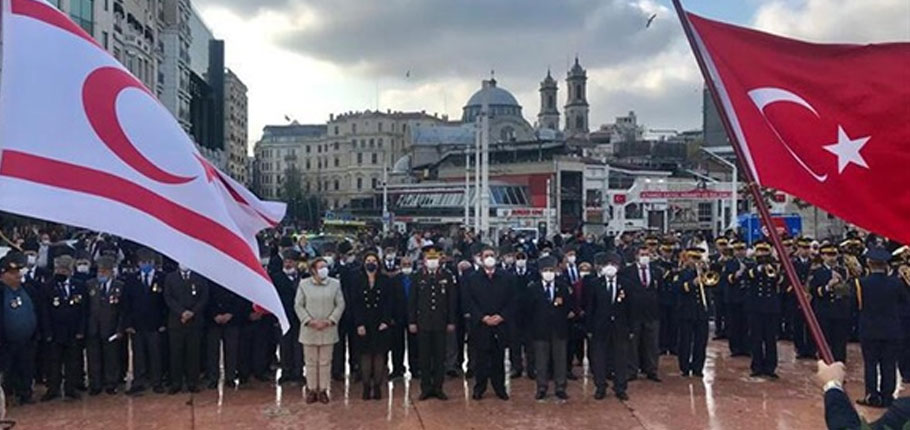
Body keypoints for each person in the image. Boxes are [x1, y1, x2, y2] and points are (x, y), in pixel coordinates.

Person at [854, 247, 905, 407]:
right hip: (891, 330)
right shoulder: (897, 283)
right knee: (889, 364)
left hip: (869, 329)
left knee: (870, 364)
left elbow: (855, 307)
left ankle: (872, 395)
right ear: (886, 265)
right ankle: (888, 397)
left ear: (869, 264)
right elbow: (905, 304)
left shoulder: (861, 283)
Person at [465, 246, 515, 400]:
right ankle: (479, 388)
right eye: (486, 255)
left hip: (500, 324)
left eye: (492, 255)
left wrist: (501, 316)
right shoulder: (472, 278)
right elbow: (469, 301)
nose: (489, 258)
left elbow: (513, 299)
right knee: (480, 359)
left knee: (498, 359)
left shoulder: (506, 277)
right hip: (481, 325)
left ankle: (500, 388)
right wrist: (482, 317)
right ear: (480, 258)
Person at [408, 248, 457, 401]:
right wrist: (412, 321)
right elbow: (412, 302)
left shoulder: (447, 276)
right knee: (424, 357)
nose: (432, 261)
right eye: (429, 258)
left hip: (440, 323)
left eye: (435, 258)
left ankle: (438, 387)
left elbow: (451, 301)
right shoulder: (417, 276)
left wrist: (451, 321)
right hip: (423, 323)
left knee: (439, 356)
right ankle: (426, 388)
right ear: (424, 260)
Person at [295, 257, 345, 404]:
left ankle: (323, 390)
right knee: (310, 361)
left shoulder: (335, 284)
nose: (324, 269)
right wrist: (309, 321)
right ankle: (311, 389)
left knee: (325, 361)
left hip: (328, 328)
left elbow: (340, 304)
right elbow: (298, 305)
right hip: (309, 329)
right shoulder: (304, 284)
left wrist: (330, 320)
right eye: (321, 267)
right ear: (313, 270)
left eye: (326, 266)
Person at [40, 254, 87, 401]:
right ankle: (53, 389)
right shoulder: (48, 286)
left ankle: (70, 389)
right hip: (55, 332)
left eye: (65, 269)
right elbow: (44, 312)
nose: (62, 272)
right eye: (60, 268)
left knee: (72, 362)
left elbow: (84, 311)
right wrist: (47, 332)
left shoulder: (78, 286)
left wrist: (81, 330)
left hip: (73, 332)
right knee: (53, 363)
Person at [122, 248, 167, 395]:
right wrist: (128, 324)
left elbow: (165, 303)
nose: (145, 265)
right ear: (138, 263)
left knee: (156, 354)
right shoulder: (131, 279)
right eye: (142, 262)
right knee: (138, 354)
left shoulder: (162, 278)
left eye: (148, 262)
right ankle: (138, 382)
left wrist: (163, 323)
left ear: (153, 263)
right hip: (137, 324)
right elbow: (126, 304)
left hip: (155, 324)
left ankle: (157, 382)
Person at [528, 256, 574, 400]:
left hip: (559, 329)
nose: (549, 273)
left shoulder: (563, 286)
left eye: (551, 270)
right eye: (545, 270)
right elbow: (527, 309)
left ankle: (560, 387)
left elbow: (568, 307)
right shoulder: (533, 288)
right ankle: (542, 387)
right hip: (540, 329)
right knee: (541, 360)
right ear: (540, 272)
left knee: (560, 359)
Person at [586, 252, 630, 400]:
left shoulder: (626, 283)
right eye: (607, 265)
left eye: (614, 264)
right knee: (599, 358)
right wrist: (589, 329)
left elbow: (632, 308)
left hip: (620, 327)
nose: (610, 267)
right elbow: (590, 308)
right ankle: (600, 387)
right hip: (600, 328)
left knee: (621, 358)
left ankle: (620, 387)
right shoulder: (594, 284)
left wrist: (630, 328)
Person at [816, 360, 910, 430]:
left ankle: (874, 395)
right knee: (888, 362)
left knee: (872, 362)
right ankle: (885, 395)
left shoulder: (904, 413)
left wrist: (832, 385)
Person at [0, 253, 41, 405]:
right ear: (3, 275)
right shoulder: (2, 291)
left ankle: (25, 393)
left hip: (28, 340)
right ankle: (7, 396)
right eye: (12, 273)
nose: (17, 275)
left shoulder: (29, 289)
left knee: (26, 368)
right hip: (6, 341)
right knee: (7, 370)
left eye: (18, 271)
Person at [352, 252, 393, 400]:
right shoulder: (357, 280)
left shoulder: (385, 280)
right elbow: (355, 303)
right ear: (364, 263)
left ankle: (377, 386)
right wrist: (359, 323)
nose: (371, 263)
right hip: (364, 322)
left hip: (380, 322)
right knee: (365, 354)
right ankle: (366, 386)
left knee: (379, 354)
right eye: (368, 260)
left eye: (373, 260)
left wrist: (385, 321)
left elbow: (389, 302)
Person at [163, 264, 210, 394]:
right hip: (176, 321)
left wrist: (192, 312)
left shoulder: (200, 277)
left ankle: (193, 382)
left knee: (193, 354)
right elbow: (168, 298)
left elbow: (204, 298)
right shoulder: (170, 278)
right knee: (175, 354)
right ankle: (176, 383)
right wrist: (182, 312)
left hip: (195, 322)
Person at [85, 256, 125, 395]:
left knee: (111, 357)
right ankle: (95, 383)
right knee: (93, 357)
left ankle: (111, 383)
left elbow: (122, 311)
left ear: (111, 272)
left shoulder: (119, 286)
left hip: (111, 328)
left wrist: (120, 329)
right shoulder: (90, 284)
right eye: (99, 270)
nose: (101, 273)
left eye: (104, 271)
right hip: (93, 327)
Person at [622, 245, 662, 382]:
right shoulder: (627, 272)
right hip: (634, 313)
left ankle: (651, 370)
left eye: (647, 254)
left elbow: (660, 291)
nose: (645, 257)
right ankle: (632, 370)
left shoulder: (657, 271)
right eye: (642, 254)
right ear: (636, 256)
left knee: (652, 343)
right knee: (633, 343)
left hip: (652, 313)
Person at [745, 242, 783, 379]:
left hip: (771, 307)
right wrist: (760, 268)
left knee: (770, 339)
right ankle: (757, 366)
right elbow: (748, 276)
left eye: (764, 251)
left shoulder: (774, 266)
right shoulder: (750, 265)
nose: (762, 254)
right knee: (756, 338)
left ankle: (770, 367)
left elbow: (778, 281)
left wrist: (774, 271)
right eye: (759, 251)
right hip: (755, 307)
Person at [811, 243, 853, 363]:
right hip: (825, 311)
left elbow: (847, 292)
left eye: (834, 254)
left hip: (840, 311)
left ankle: (839, 366)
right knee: (825, 342)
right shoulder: (817, 272)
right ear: (823, 256)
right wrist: (828, 286)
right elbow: (815, 292)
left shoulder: (843, 271)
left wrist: (840, 284)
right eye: (829, 255)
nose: (832, 258)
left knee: (840, 343)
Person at [676, 248, 713, 378]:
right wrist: (693, 283)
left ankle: (698, 367)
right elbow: (679, 288)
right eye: (693, 259)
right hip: (687, 311)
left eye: (698, 259)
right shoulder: (682, 273)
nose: (696, 262)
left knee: (701, 341)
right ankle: (685, 367)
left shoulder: (704, 272)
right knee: (685, 341)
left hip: (701, 312)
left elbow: (711, 286)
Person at [204, 282, 246, 390]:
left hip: (232, 321)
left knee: (231, 351)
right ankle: (213, 378)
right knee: (213, 351)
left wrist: (230, 314)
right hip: (213, 321)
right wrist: (214, 315)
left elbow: (240, 299)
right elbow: (205, 298)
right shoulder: (210, 280)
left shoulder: (234, 280)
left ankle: (230, 377)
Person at [271, 250, 304, 385]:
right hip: (283, 316)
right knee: (284, 345)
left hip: (300, 317)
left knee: (298, 345)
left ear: (296, 263)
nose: (288, 264)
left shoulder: (303, 278)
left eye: (291, 261)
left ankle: (298, 372)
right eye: (286, 261)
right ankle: (286, 372)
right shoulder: (276, 277)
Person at [332, 241, 361, 381]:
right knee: (338, 342)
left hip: (354, 309)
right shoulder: (334, 269)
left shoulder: (357, 267)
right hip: (339, 311)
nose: (351, 256)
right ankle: (338, 369)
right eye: (349, 254)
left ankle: (355, 367)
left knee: (356, 341)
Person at [389, 256, 417, 380]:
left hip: (414, 317)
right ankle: (397, 369)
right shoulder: (394, 280)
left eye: (409, 263)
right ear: (400, 266)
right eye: (404, 264)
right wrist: (391, 317)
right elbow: (390, 300)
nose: (407, 266)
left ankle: (415, 368)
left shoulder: (417, 279)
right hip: (397, 316)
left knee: (415, 344)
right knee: (396, 344)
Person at [791, 237, 818, 359]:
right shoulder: (792, 263)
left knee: (811, 324)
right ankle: (800, 348)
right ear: (798, 249)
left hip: (811, 296)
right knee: (798, 324)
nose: (806, 251)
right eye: (803, 248)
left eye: (807, 248)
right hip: (797, 296)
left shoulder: (814, 264)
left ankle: (811, 349)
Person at [724, 240, 752, 358]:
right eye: (738, 250)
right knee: (734, 324)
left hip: (746, 297)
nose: (740, 252)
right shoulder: (730, 263)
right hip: (733, 297)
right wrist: (737, 274)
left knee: (746, 324)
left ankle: (746, 347)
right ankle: (735, 348)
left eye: (742, 249)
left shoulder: (751, 262)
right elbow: (726, 278)